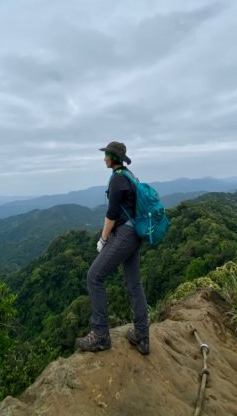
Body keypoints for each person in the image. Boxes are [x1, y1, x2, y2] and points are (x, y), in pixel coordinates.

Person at [76, 141, 150, 355]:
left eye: (107, 154)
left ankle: (100, 335)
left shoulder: (118, 180)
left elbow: (111, 214)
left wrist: (103, 239)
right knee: (134, 285)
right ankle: (142, 337)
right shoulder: (129, 175)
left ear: (114, 157)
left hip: (124, 235)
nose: (104, 158)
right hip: (135, 233)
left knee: (94, 276)